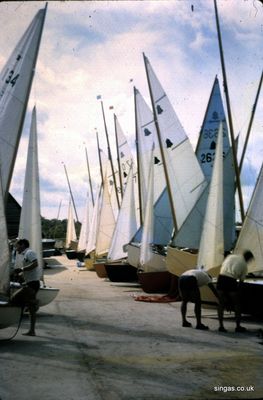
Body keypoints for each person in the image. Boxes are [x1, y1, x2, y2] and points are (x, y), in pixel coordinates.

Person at [216, 250, 254, 333]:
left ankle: (221, 326)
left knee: (221, 304)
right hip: (231, 280)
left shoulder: (231, 256)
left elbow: (223, 265)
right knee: (237, 304)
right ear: (248, 259)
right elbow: (241, 283)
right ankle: (238, 326)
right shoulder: (244, 266)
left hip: (221, 278)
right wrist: (238, 294)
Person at [11, 239, 42, 336]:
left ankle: (35, 303)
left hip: (32, 284)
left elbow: (35, 264)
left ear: (23, 245)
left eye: (17, 246)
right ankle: (32, 331)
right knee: (31, 309)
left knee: (13, 299)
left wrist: (22, 269)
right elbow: (30, 269)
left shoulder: (29, 252)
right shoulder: (26, 254)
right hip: (31, 283)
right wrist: (21, 274)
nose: (16, 249)